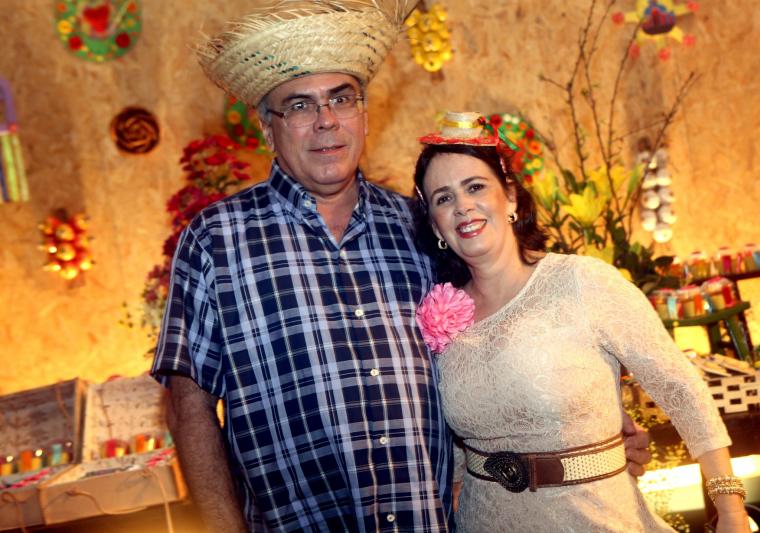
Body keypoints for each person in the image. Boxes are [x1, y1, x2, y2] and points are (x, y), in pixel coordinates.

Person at [151, 2, 652, 531]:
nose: (326, 120)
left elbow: (500, 332)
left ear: (364, 114)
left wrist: (584, 423)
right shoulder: (217, 239)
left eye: (341, 98)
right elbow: (189, 407)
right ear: (268, 129)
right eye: (299, 105)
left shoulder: (421, 225)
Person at [411, 112, 750, 533]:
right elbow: (458, 444)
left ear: (511, 198)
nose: (462, 205)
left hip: (594, 517)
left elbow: (679, 387)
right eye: (443, 198)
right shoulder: (441, 313)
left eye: (475, 186)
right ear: (435, 223)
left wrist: (730, 508)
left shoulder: (582, 281)